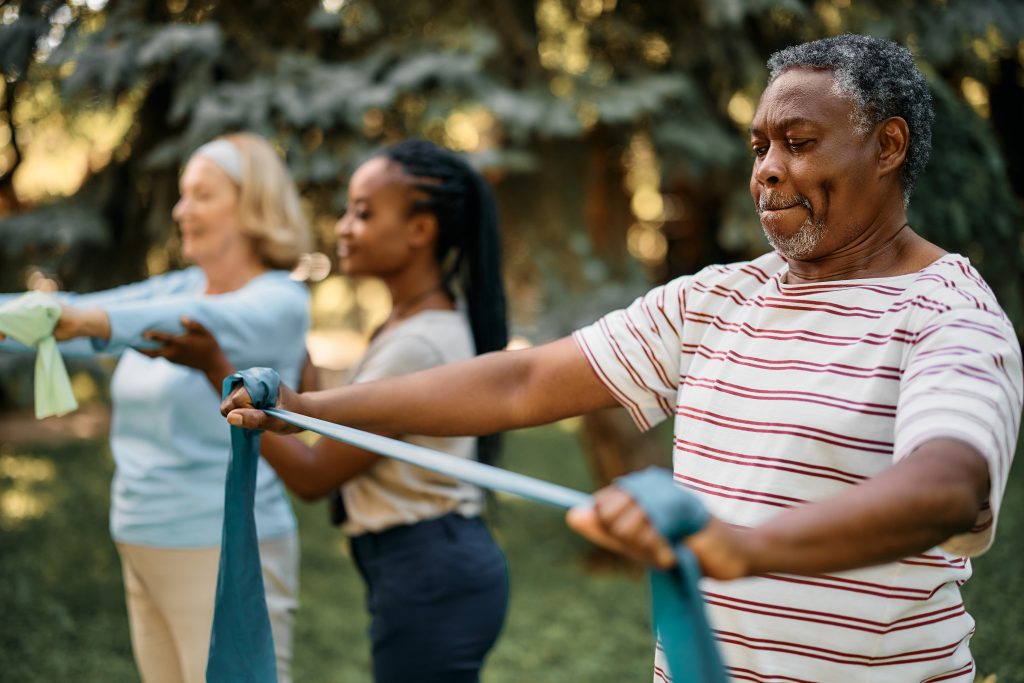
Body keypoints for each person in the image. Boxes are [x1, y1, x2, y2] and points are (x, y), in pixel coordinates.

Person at [221, 35, 1022, 683]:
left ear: (887, 147)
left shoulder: (947, 313)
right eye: (759, 145)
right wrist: (312, 406)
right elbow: (522, 379)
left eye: (799, 142)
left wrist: (744, 546)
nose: (767, 168)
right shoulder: (716, 298)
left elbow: (948, 488)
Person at [152, 139, 510, 683]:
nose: (343, 227)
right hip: (424, 564)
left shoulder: (419, 345)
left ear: (421, 230)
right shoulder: (407, 325)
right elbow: (337, 428)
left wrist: (214, 369)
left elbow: (315, 475)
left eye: (363, 213)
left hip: (431, 571)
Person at [0, 133, 311, 683]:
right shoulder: (185, 284)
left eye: (201, 194)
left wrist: (90, 322)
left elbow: (178, 322)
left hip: (223, 545)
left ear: (252, 205)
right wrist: (33, 318)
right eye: (182, 194)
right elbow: (77, 314)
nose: (179, 209)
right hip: (143, 537)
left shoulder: (279, 300)